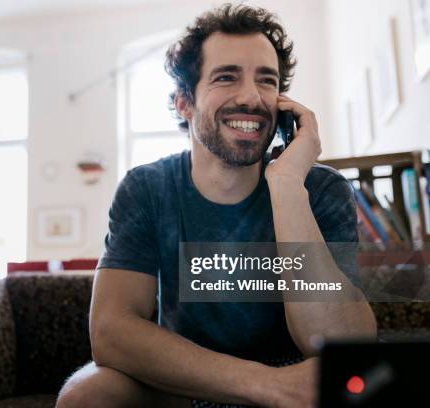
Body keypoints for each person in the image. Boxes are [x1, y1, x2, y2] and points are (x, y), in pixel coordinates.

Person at [56, 3, 376, 408]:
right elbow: (110, 332)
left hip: (299, 377)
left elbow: (340, 343)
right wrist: (269, 385)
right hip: (190, 377)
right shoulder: (147, 188)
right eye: (226, 77)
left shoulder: (321, 188)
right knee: (86, 395)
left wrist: (287, 184)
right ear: (183, 103)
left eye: (267, 80)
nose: (251, 97)